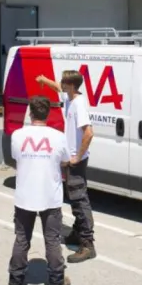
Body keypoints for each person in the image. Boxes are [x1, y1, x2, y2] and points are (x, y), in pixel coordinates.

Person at [9, 95, 71, 285]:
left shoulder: (17, 135)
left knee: (21, 238)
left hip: (25, 195)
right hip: (50, 196)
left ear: (30, 112)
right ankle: (56, 282)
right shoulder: (59, 136)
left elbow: (15, 158)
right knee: (52, 239)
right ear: (48, 113)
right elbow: (65, 162)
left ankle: (16, 282)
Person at [36, 70, 96, 263]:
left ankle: (87, 244)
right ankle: (78, 232)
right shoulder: (70, 97)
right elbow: (56, 87)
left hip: (75, 161)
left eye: (63, 82)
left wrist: (77, 156)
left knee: (79, 201)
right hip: (71, 160)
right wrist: (44, 80)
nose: (60, 83)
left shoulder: (79, 105)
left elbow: (89, 133)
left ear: (70, 85)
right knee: (74, 198)